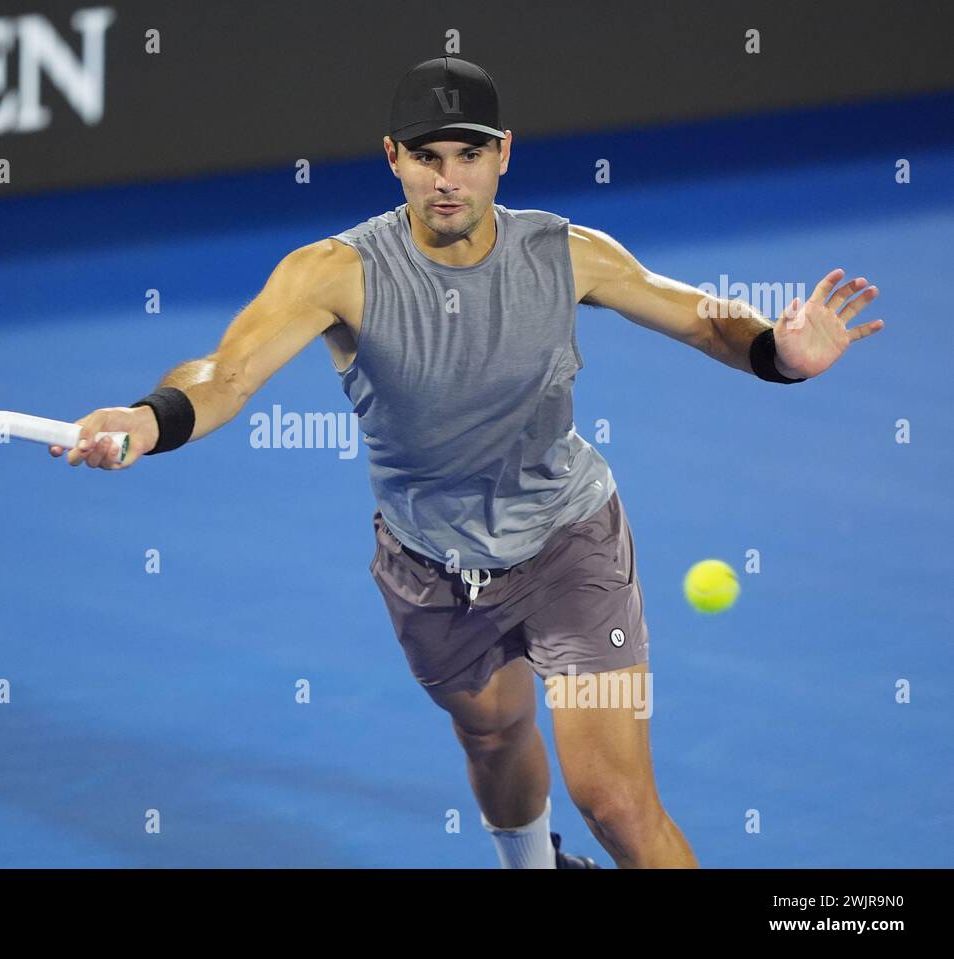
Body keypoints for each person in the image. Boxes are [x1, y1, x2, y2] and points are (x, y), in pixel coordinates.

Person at [50, 56, 884, 868]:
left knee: (615, 802)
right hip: (431, 572)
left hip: (570, 548)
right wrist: (149, 419)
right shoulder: (335, 273)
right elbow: (225, 373)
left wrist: (777, 351)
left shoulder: (566, 253)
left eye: (469, 156)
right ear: (393, 159)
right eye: (426, 158)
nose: (447, 180)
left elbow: (703, 317)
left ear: (503, 155)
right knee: (491, 732)